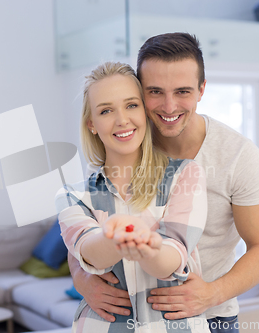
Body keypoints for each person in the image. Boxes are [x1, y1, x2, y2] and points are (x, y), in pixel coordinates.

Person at [69, 33, 259, 333]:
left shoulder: (238, 156)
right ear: (140, 91)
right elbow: (85, 223)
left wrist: (211, 293)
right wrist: (82, 277)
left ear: (201, 90)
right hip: (133, 321)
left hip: (210, 315)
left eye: (182, 91)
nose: (169, 107)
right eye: (155, 91)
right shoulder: (128, 138)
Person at [56, 61, 210, 332]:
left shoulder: (185, 176)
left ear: (145, 111)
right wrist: (114, 237)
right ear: (91, 123)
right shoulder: (71, 195)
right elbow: (90, 254)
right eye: (106, 110)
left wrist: (147, 244)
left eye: (131, 105)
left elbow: (172, 258)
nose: (122, 120)